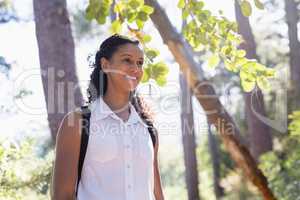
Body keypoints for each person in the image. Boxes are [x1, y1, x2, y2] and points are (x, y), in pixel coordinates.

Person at [51, 34, 165, 200]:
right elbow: (62, 195)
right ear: (105, 65)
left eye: (140, 63)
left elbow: (157, 194)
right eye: (127, 60)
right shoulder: (77, 123)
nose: (136, 68)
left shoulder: (148, 130)